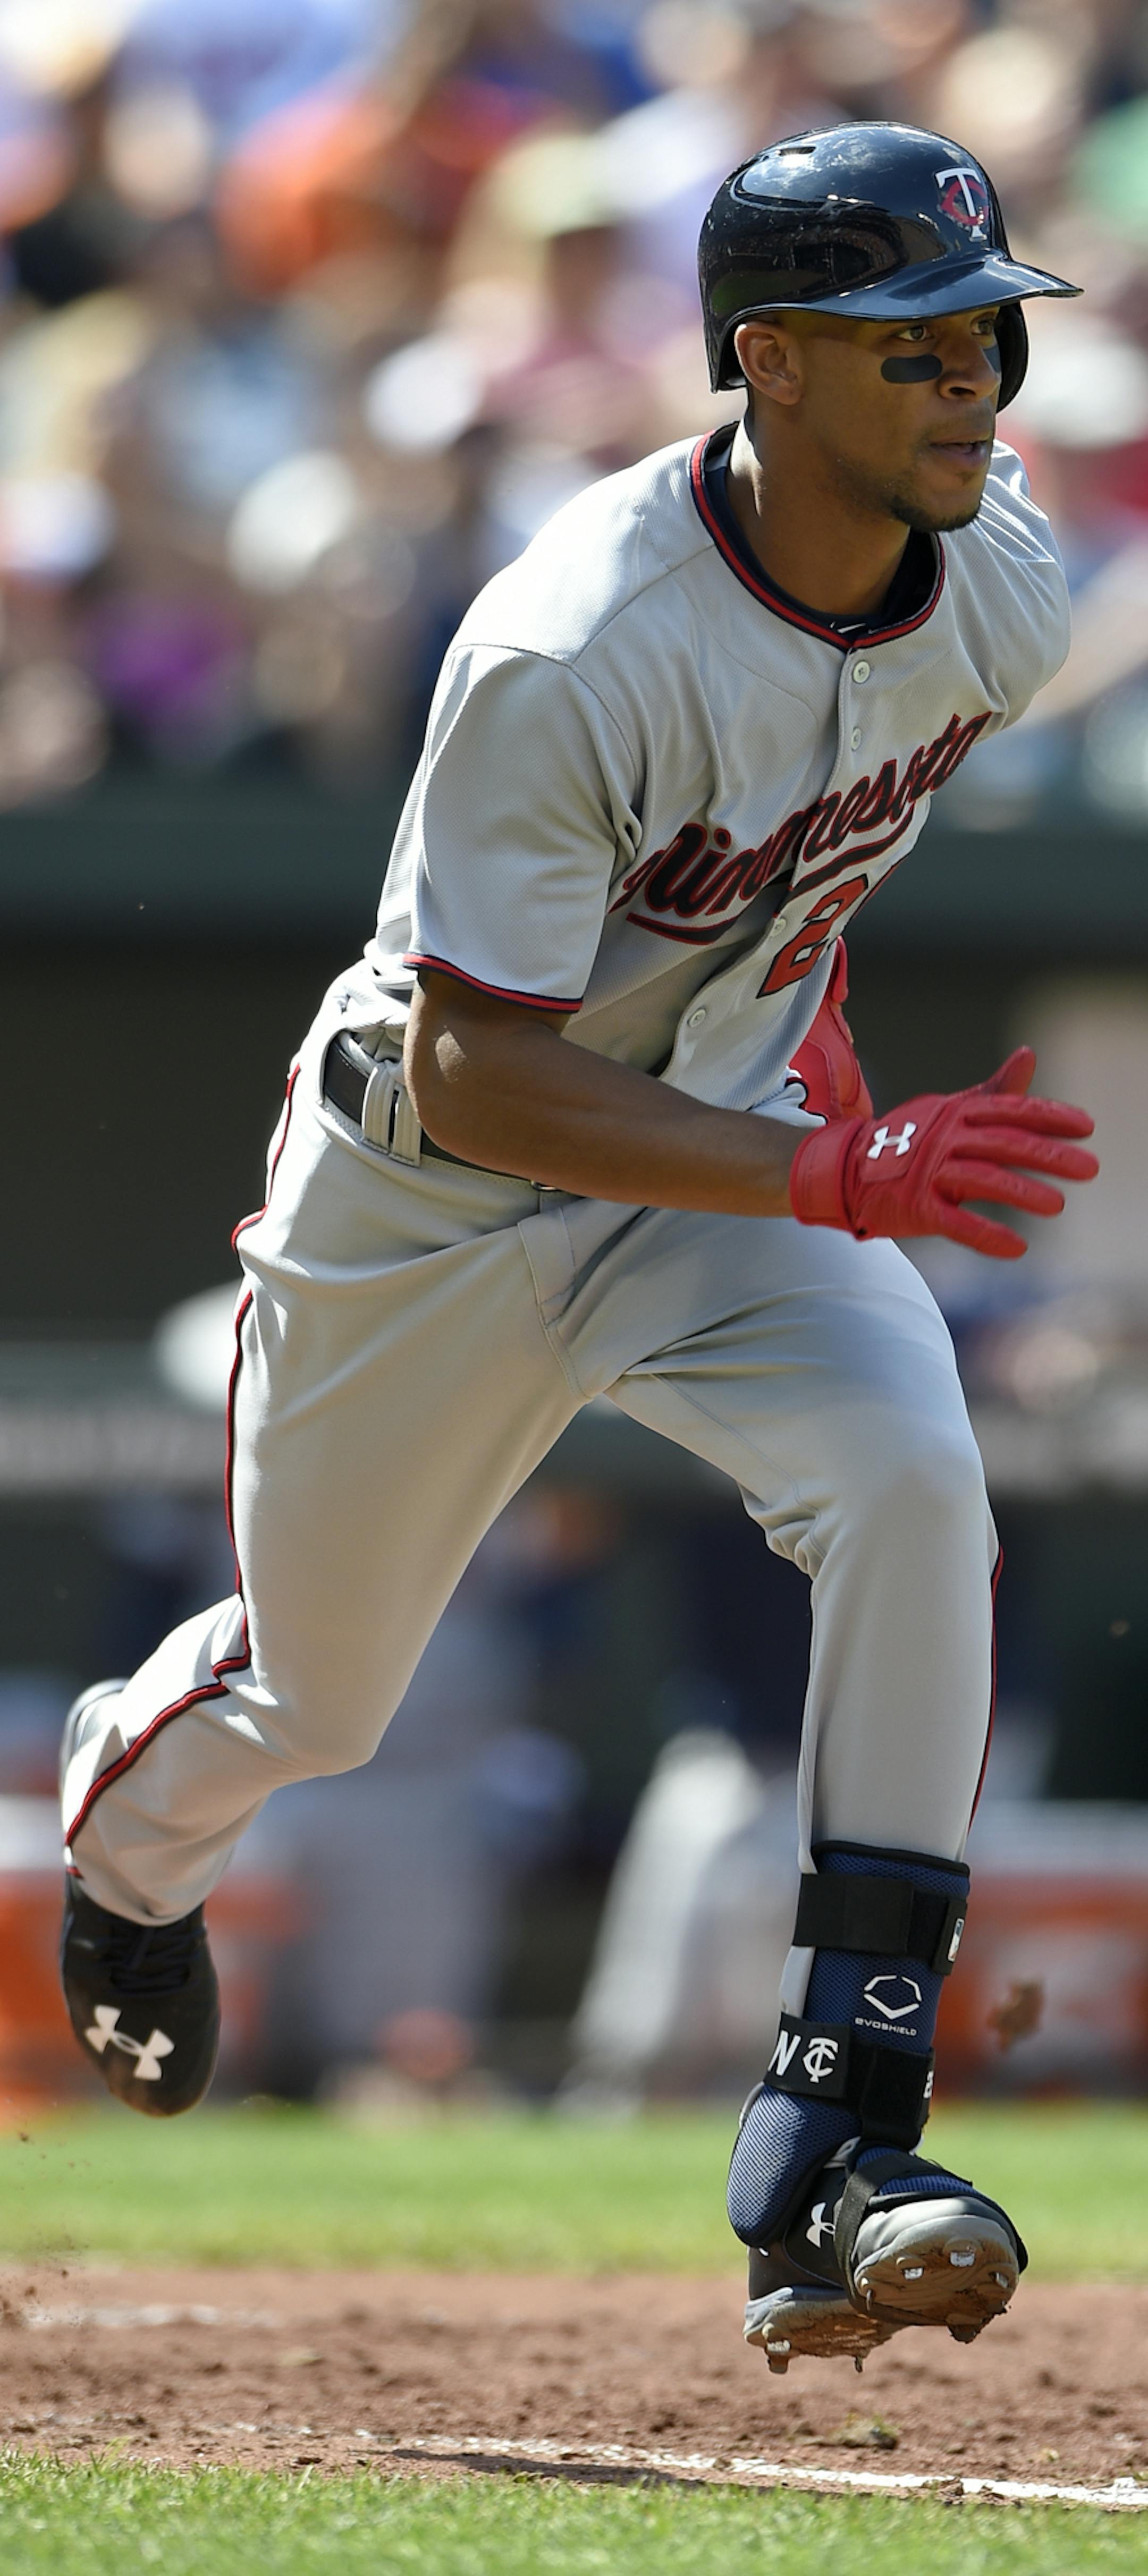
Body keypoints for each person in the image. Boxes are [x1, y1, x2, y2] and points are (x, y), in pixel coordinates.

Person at [60, 123, 1098, 2374]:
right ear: (771, 364)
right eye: (913, 341)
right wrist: (835, 1172)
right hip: (434, 1201)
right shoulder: (575, 638)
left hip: (712, 1168)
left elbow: (800, 882)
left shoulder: (1001, 581)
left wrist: (813, 1096)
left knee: (918, 1481)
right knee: (314, 1701)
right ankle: (127, 1864)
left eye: (988, 332)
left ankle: (841, 2129)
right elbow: (474, 1073)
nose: (971, 382)